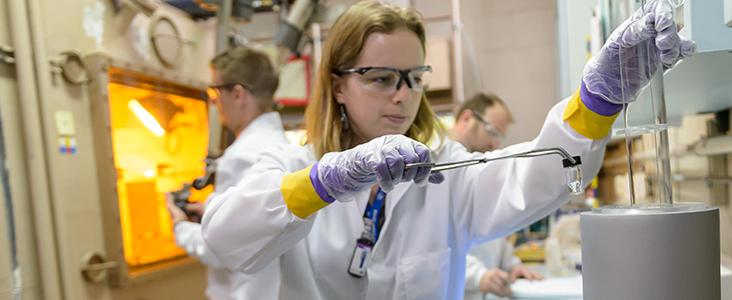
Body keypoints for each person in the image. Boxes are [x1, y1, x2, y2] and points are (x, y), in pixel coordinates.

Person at [201, 1, 694, 299]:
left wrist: (598, 101)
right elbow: (225, 237)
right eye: (380, 79)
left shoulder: (442, 169)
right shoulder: (292, 165)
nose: (403, 94)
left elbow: (532, 177)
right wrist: (323, 184)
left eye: (415, 78)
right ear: (336, 87)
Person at [165, 47, 286, 300]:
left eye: (215, 91)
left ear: (238, 94)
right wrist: (211, 209)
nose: (213, 101)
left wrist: (179, 227)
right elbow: (256, 222)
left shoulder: (241, 157)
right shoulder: (283, 147)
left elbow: (221, 248)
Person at [448, 93, 543, 299]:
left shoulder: (477, 169)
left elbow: (494, 233)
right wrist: (478, 276)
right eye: (491, 132)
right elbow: (431, 248)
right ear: (466, 119)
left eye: (499, 137)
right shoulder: (436, 170)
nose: (494, 145)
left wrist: (512, 266)